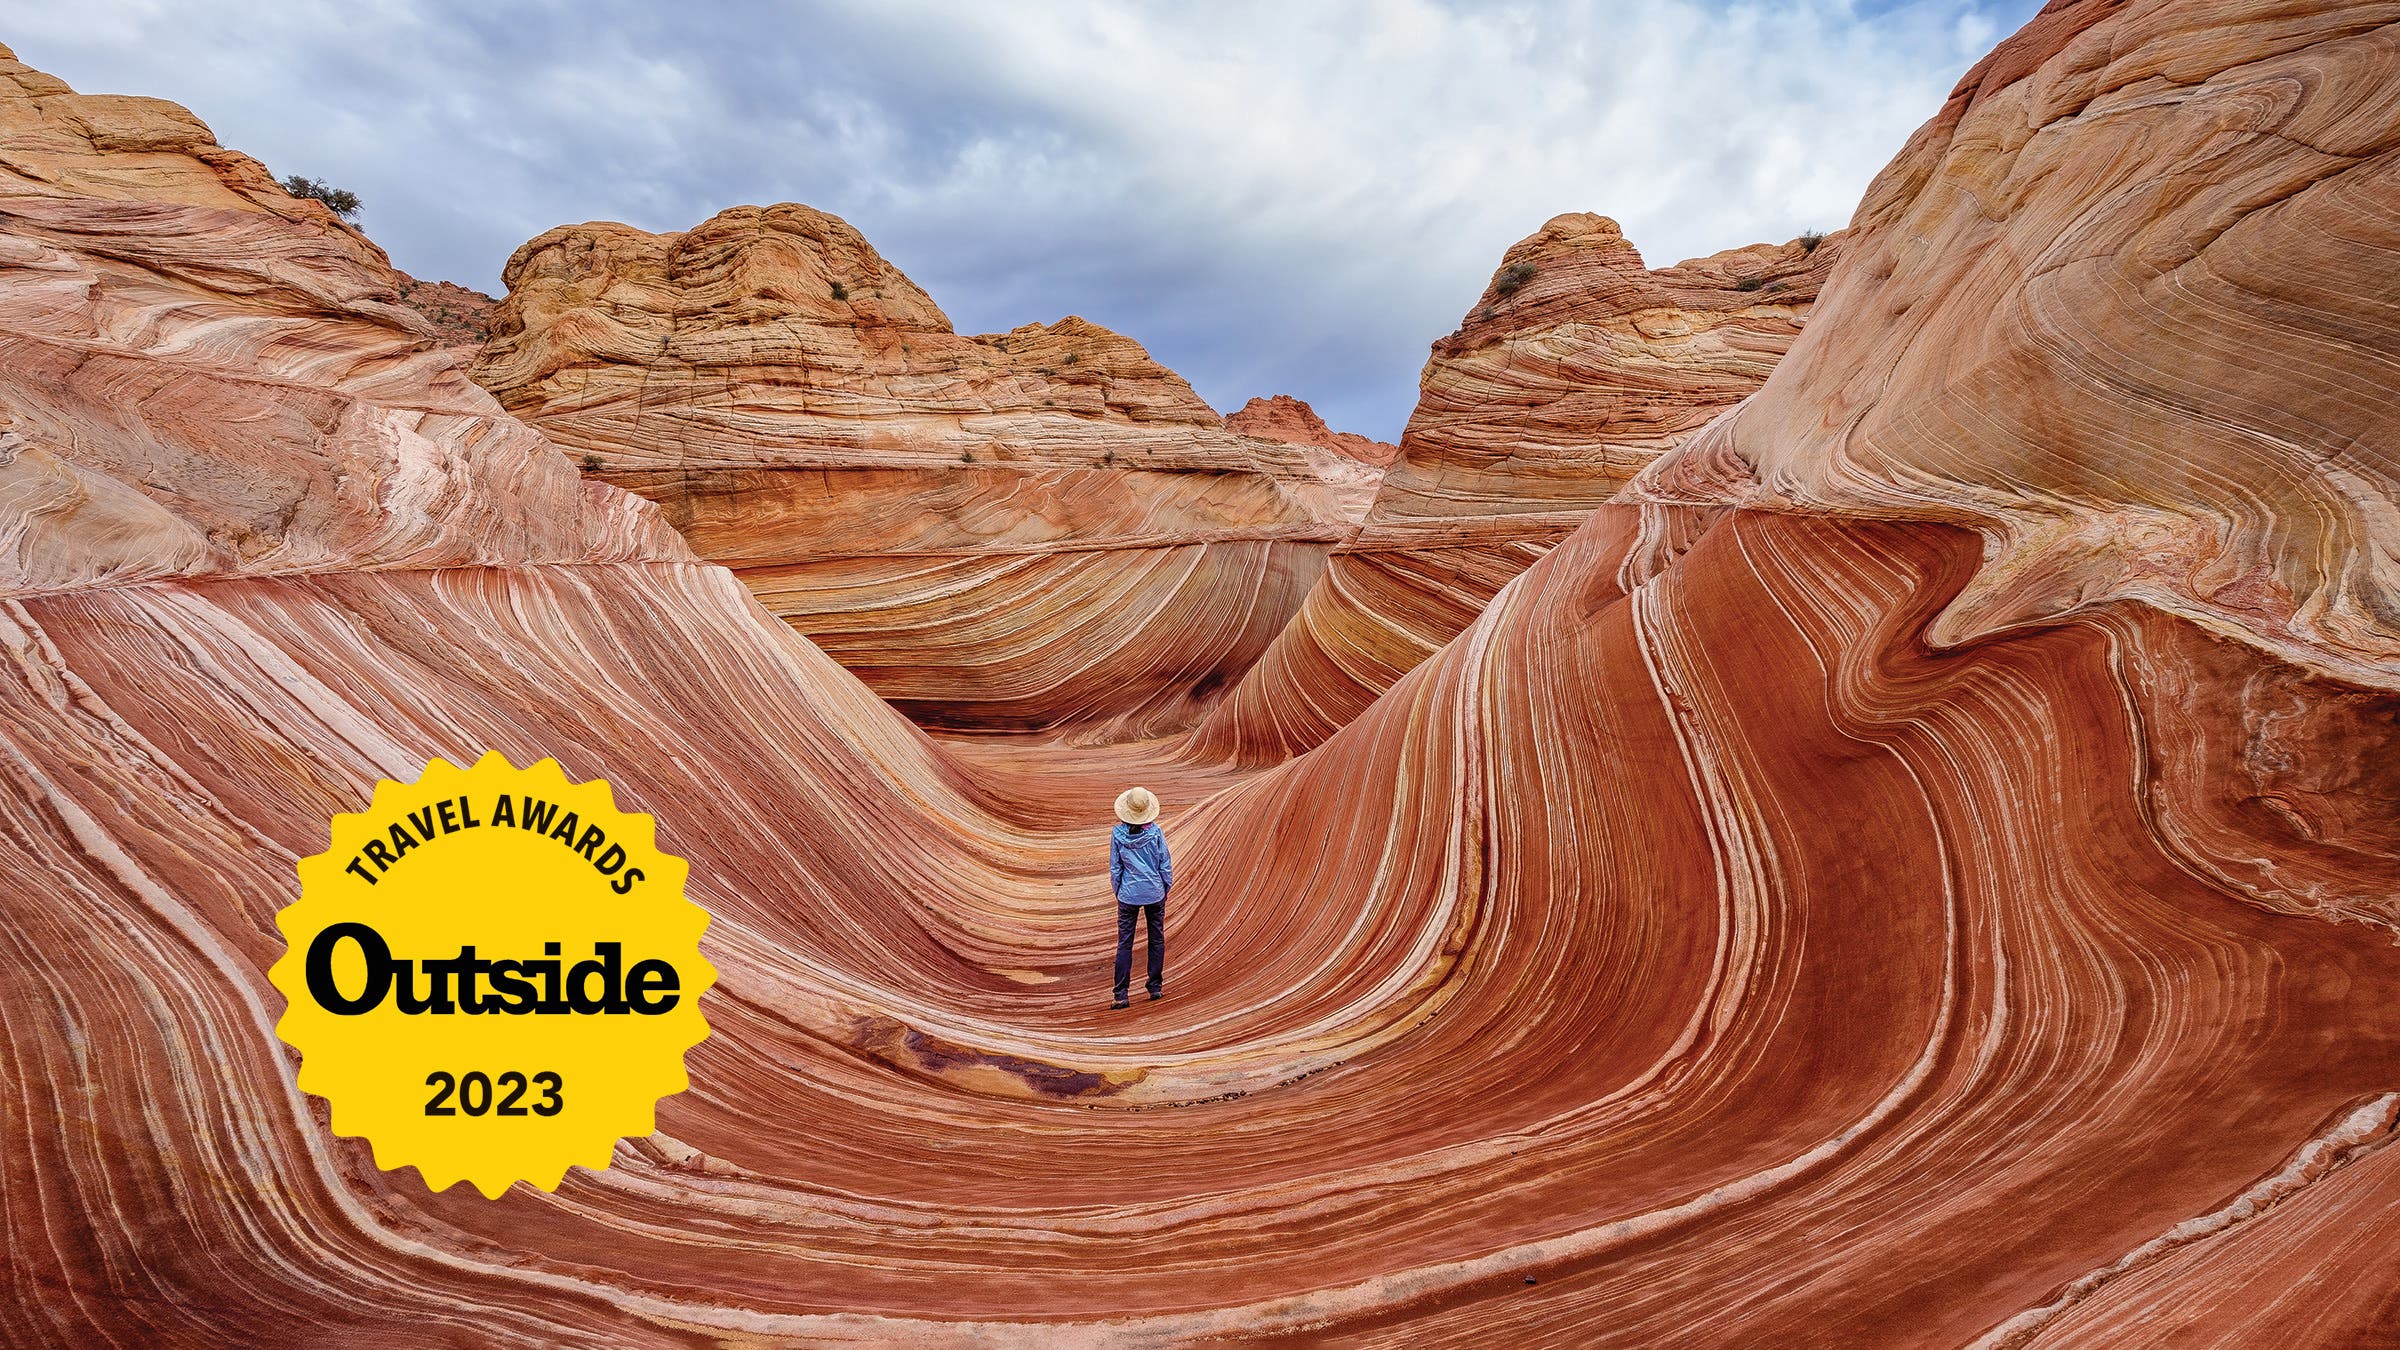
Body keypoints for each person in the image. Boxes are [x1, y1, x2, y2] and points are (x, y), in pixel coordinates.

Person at [1108, 786, 1171, 1009]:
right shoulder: (1156, 833)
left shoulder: (1117, 835)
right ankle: (1155, 987)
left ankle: (1121, 994)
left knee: (1125, 942)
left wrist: (1119, 891)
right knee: (1156, 938)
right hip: (1154, 892)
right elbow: (1164, 864)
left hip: (1128, 894)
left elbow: (1116, 869)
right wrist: (1164, 888)